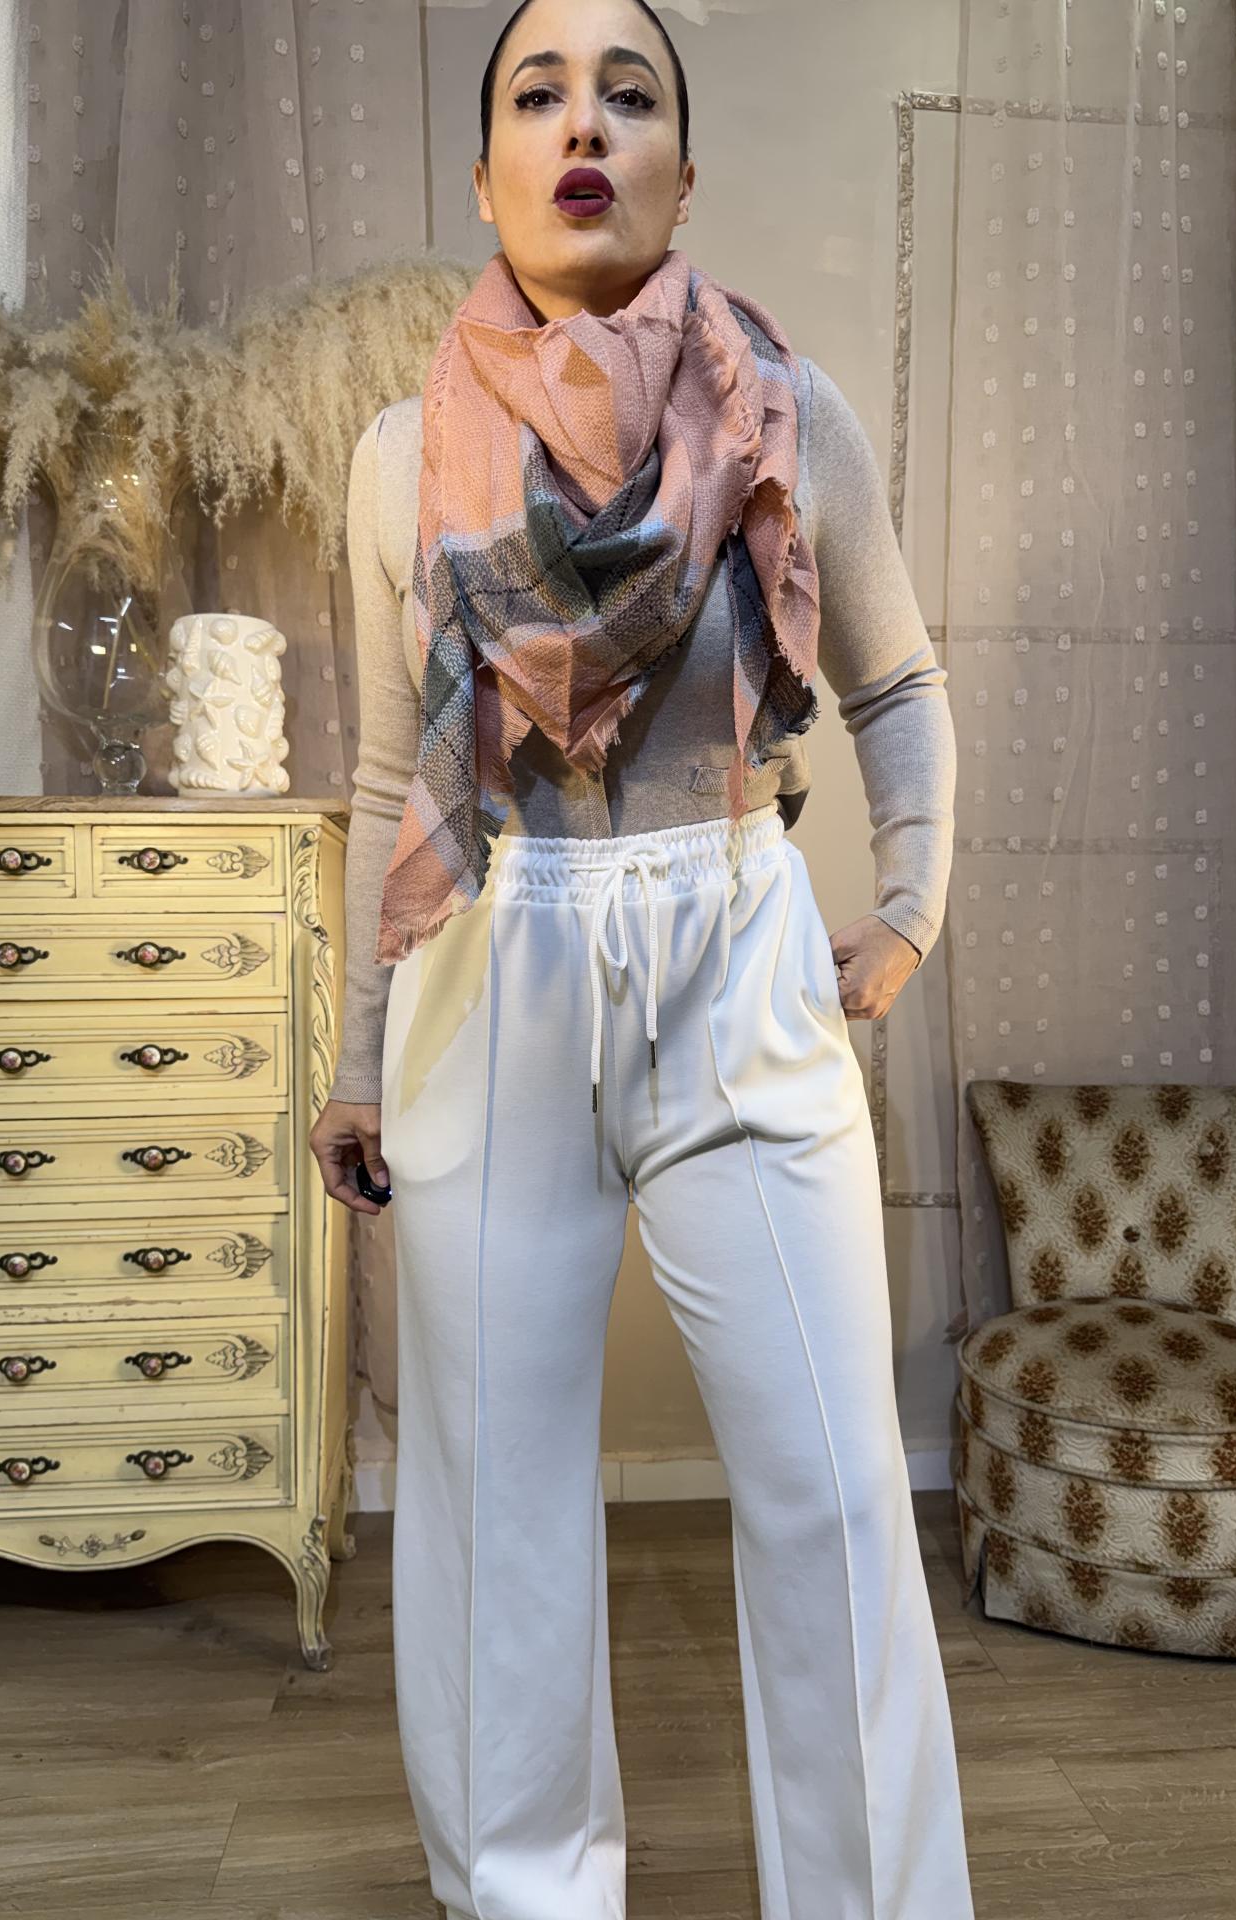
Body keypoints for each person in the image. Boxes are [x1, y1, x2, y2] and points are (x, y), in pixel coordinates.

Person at [309, 1, 976, 1915]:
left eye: (630, 93)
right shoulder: (398, 462)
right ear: (486, 175)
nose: (584, 124)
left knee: (839, 1490)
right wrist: (358, 1056)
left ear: (686, 170)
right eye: (540, 93)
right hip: (492, 962)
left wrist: (908, 904)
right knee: (496, 1510)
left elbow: (895, 682)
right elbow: (387, 777)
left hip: (732, 947)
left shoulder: (788, 414)